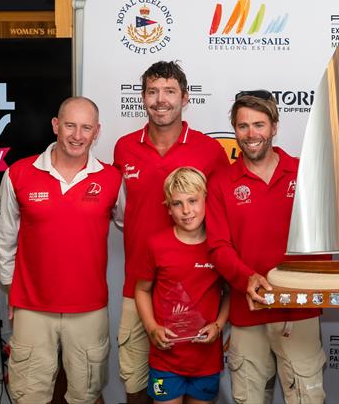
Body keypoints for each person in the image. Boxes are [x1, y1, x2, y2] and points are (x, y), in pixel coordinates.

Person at [114, 61, 229, 404]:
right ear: (143, 97)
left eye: (169, 91)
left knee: (194, 388)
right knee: (135, 384)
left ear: (185, 97)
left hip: (199, 292)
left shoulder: (209, 150)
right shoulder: (124, 147)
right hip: (140, 288)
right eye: (152, 91)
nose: (160, 100)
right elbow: (122, 213)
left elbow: (223, 218)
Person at [0, 97, 121, 404]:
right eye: (70, 125)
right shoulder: (17, 174)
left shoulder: (112, 179)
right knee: (29, 395)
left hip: (89, 310)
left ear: (96, 132)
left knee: (86, 394)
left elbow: (134, 226)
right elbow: (5, 239)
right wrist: (13, 290)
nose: (77, 135)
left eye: (86, 128)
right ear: (56, 125)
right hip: (32, 308)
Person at [206, 90, 326, 404]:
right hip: (247, 313)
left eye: (259, 125)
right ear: (234, 130)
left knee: (306, 399)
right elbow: (218, 246)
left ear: (274, 126)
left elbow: (325, 240)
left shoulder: (305, 174)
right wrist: (248, 279)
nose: (251, 134)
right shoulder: (221, 181)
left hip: (298, 312)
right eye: (242, 126)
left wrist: (297, 284)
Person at [135, 167, 230, 404]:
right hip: (165, 359)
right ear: (168, 207)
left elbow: (229, 293)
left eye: (193, 201)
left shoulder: (219, 246)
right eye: (177, 203)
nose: (187, 211)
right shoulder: (156, 245)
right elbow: (142, 289)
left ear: (206, 200)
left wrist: (218, 326)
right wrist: (152, 327)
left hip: (206, 360)